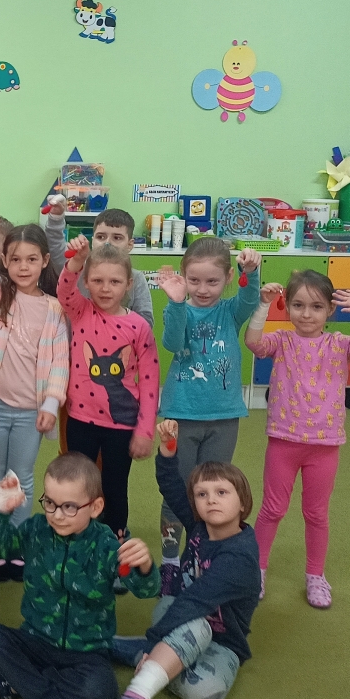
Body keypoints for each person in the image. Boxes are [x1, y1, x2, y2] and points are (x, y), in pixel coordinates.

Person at [0, 454, 160, 699]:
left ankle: (19, 684)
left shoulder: (106, 545)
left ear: (95, 507)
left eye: (70, 507)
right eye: (50, 503)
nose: (57, 515)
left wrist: (145, 566)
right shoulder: (36, 529)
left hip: (86, 652)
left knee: (103, 689)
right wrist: (0, 511)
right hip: (35, 641)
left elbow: (146, 589)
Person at [245, 271, 350, 608]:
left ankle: (315, 576)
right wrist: (262, 306)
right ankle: (255, 570)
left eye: (317, 307)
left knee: (316, 513)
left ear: (330, 311)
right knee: (272, 509)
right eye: (298, 305)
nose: (306, 314)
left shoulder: (339, 344)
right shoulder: (282, 340)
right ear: (288, 306)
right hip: (284, 441)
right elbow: (254, 343)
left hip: (324, 447)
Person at [107, 420, 260, 699]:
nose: (211, 499)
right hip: (180, 616)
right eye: (202, 494)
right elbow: (170, 485)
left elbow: (196, 601)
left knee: (206, 692)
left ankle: (144, 654)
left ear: (243, 503)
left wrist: (153, 643)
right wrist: (168, 450)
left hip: (222, 643)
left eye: (221, 492)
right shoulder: (199, 526)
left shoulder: (239, 558)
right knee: (192, 622)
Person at [153, 238, 259, 590]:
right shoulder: (178, 307)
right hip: (181, 414)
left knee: (213, 490)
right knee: (178, 492)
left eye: (212, 281)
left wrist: (251, 271)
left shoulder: (230, 311)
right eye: (194, 280)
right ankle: (171, 562)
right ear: (183, 276)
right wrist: (176, 301)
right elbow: (172, 343)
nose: (202, 289)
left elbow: (249, 298)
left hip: (224, 417)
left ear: (227, 278)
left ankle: (203, 555)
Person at [0, 203, 69, 548]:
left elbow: (59, 362)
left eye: (31, 259)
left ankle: (17, 544)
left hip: (30, 413)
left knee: (21, 478)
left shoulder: (53, 308)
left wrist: (51, 405)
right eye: (15, 259)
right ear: (5, 261)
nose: (23, 267)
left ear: (44, 261)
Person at [58, 236, 159, 538]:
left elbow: (150, 379)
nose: (105, 288)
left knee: (114, 487)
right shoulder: (80, 311)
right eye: (98, 281)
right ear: (86, 282)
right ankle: (77, 539)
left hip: (121, 425)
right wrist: (77, 262)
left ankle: (114, 543)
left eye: (114, 281)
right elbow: (63, 291)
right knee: (78, 484)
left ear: (128, 285)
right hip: (80, 420)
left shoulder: (138, 326)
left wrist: (145, 430)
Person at [45, 204, 153, 327]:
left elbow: (146, 322)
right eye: (101, 237)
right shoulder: (78, 269)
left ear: (130, 245)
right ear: (93, 240)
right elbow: (56, 249)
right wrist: (56, 218)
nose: (107, 243)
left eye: (117, 238)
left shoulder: (136, 278)